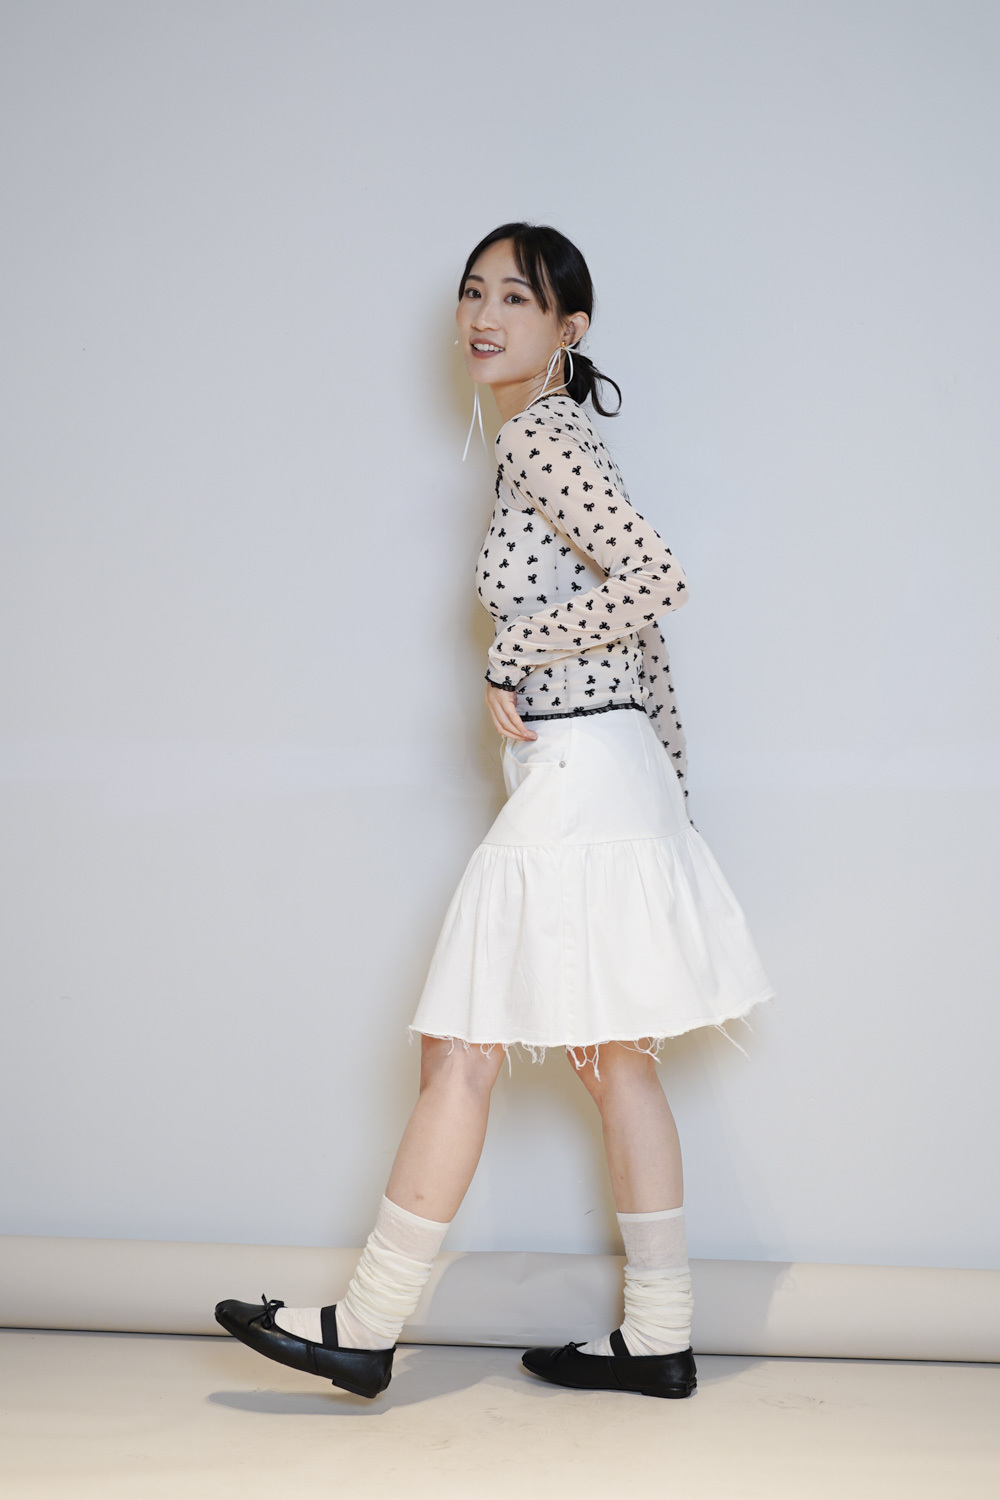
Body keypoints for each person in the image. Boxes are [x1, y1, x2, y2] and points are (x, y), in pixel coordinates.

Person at [216, 222, 776, 1401]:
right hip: (609, 767)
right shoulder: (555, 434)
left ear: (569, 327)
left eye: (516, 298)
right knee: (612, 1057)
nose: (483, 315)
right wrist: (671, 787)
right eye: (474, 292)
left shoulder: (540, 436)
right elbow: (643, 625)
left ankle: (367, 1323)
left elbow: (655, 579)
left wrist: (510, 652)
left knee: (463, 1046)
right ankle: (659, 1334)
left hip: (583, 771)